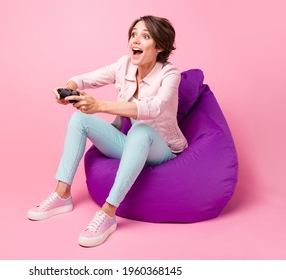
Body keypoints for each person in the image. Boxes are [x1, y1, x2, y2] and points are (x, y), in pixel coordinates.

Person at [27, 15, 188, 247]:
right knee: (79, 118)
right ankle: (62, 195)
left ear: (160, 46)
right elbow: (84, 79)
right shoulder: (123, 65)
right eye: (134, 34)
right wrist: (68, 88)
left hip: (160, 150)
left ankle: (108, 213)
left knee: (141, 129)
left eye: (145, 36)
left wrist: (100, 106)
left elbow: (153, 108)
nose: (136, 40)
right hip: (130, 145)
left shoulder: (170, 74)